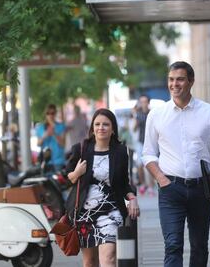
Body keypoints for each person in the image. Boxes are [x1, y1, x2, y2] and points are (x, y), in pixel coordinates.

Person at [142, 61, 210, 267]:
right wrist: (161, 179)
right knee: (172, 245)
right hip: (170, 189)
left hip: (202, 188)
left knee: (200, 245)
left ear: (191, 82)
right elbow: (148, 153)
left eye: (180, 79)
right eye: (171, 80)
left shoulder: (208, 112)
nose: (175, 84)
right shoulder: (157, 114)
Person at [65, 108, 140, 267]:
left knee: (108, 259)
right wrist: (77, 173)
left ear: (113, 129)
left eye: (106, 124)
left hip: (111, 212)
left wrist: (132, 198)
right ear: (92, 128)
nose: (101, 128)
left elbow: (124, 183)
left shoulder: (120, 152)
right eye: (97, 124)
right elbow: (67, 178)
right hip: (85, 214)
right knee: (90, 262)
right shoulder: (82, 149)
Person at [133, 95, 155, 195]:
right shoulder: (138, 114)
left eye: (145, 101)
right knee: (139, 164)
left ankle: (150, 186)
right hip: (140, 141)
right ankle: (143, 184)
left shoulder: (152, 113)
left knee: (150, 164)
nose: (143, 103)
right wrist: (134, 117)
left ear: (148, 102)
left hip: (150, 141)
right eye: (141, 102)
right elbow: (134, 128)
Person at [36, 104, 66, 170]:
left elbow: (63, 144)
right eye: (48, 113)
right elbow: (38, 144)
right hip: (45, 161)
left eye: (52, 113)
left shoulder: (61, 126)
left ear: (55, 114)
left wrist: (54, 133)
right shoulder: (40, 127)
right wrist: (45, 135)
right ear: (45, 114)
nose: (50, 115)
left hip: (58, 161)